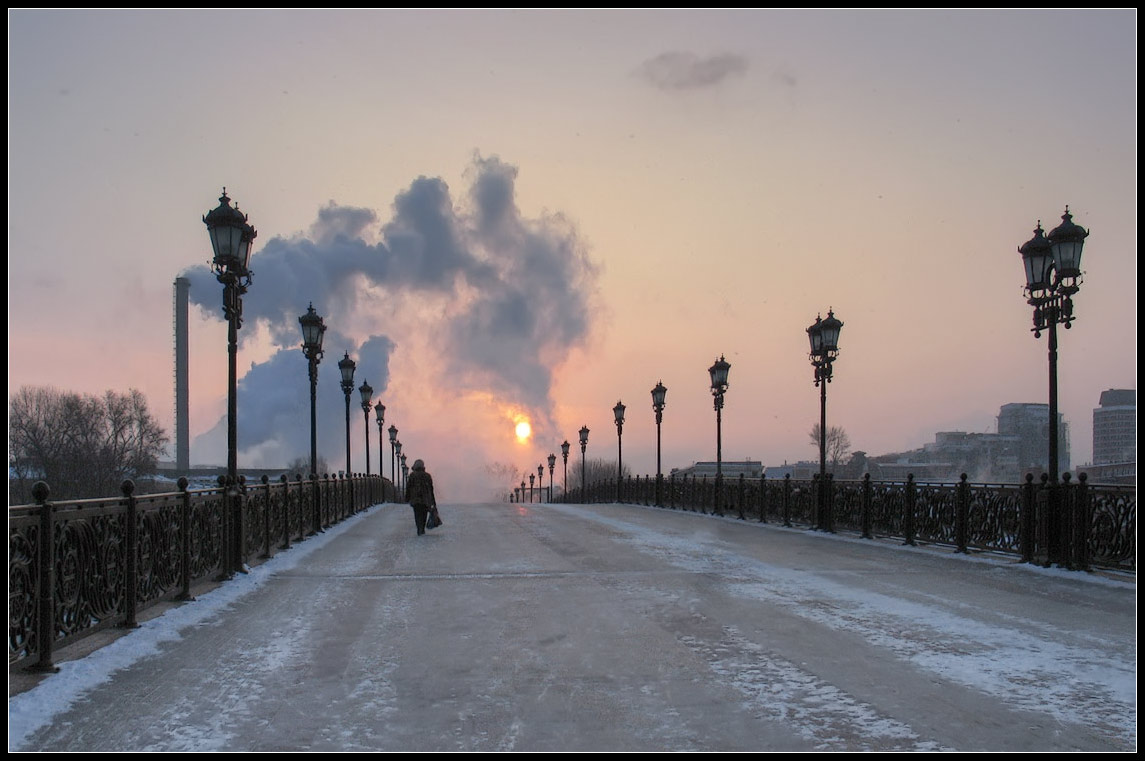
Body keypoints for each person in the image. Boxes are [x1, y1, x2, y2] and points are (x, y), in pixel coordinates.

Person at [406, 459, 437, 536]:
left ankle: (419, 529)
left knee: (417, 514)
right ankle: (422, 529)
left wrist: (407, 497)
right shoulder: (427, 476)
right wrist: (433, 501)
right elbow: (431, 489)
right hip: (425, 500)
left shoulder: (412, 475)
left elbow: (408, 488)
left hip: (415, 500)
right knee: (424, 514)